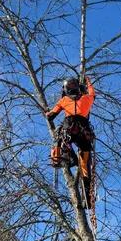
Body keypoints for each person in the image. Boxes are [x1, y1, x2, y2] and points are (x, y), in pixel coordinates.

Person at [46, 76, 95, 207]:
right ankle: (88, 197)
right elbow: (92, 93)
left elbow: (51, 115)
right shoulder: (87, 98)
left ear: (65, 89)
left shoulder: (64, 100)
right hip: (84, 132)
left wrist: (47, 113)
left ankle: (65, 158)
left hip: (70, 129)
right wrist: (88, 82)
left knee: (60, 139)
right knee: (85, 166)